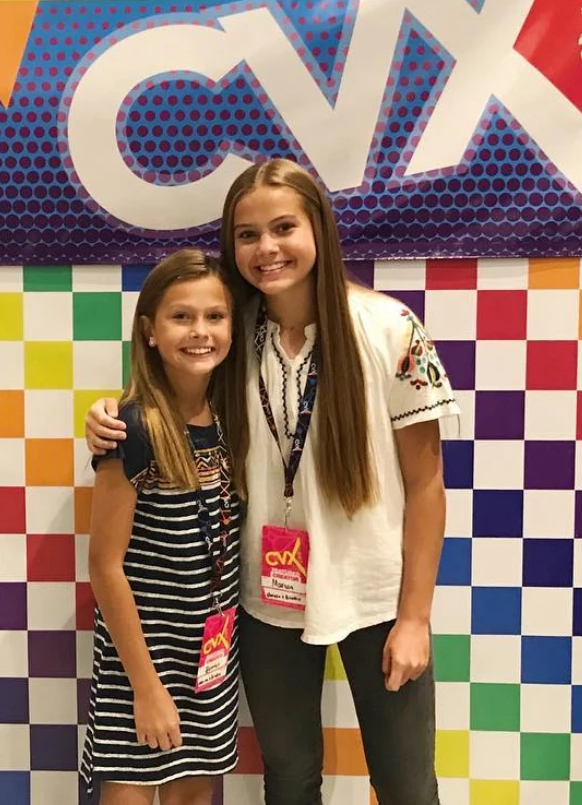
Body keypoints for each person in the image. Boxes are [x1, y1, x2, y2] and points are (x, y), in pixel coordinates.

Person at [85, 159, 458, 805]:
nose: (266, 248)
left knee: (405, 784)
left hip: (375, 596)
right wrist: (107, 418)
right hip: (264, 600)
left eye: (283, 227)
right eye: (247, 235)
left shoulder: (391, 328)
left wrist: (414, 617)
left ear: (318, 229)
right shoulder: (232, 335)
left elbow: (426, 484)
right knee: (288, 779)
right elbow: (172, 398)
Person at [81, 249, 245, 805]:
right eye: (181, 316)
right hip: (140, 662)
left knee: (195, 794)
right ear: (150, 331)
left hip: (211, 657)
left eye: (215, 316)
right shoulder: (132, 427)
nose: (200, 331)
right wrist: (146, 688)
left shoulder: (232, 421)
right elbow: (105, 566)